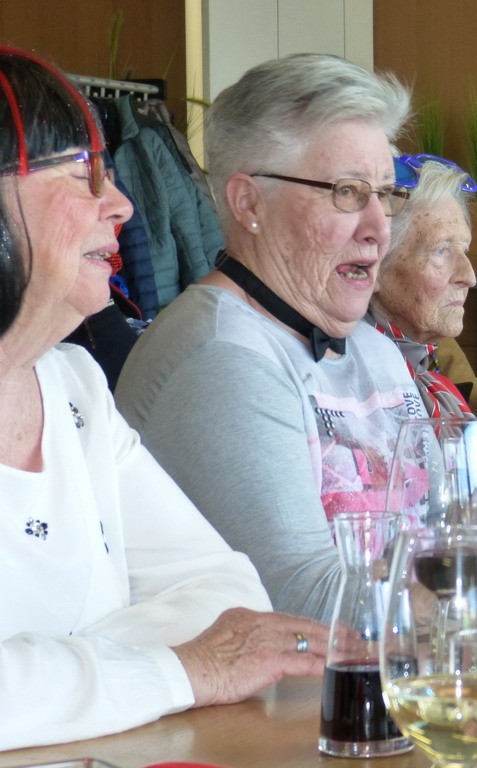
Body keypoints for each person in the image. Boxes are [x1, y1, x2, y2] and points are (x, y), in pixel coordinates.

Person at [0, 47, 327, 751]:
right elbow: (209, 650)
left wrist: (47, 676)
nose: (121, 204)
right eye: (82, 175)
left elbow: (227, 596)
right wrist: (178, 669)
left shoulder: (75, 386)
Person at [115, 54, 426, 623]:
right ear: (249, 203)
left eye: (386, 194)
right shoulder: (221, 358)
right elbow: (306, 606)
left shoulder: (376, 349)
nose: (380, 228)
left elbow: (448, 531)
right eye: (348, 192)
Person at [367, 156, 477, 509]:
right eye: (441, 250)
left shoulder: (438, 386)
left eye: (465, 250)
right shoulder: (356, 393)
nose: (469, 277)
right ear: (375, 264)